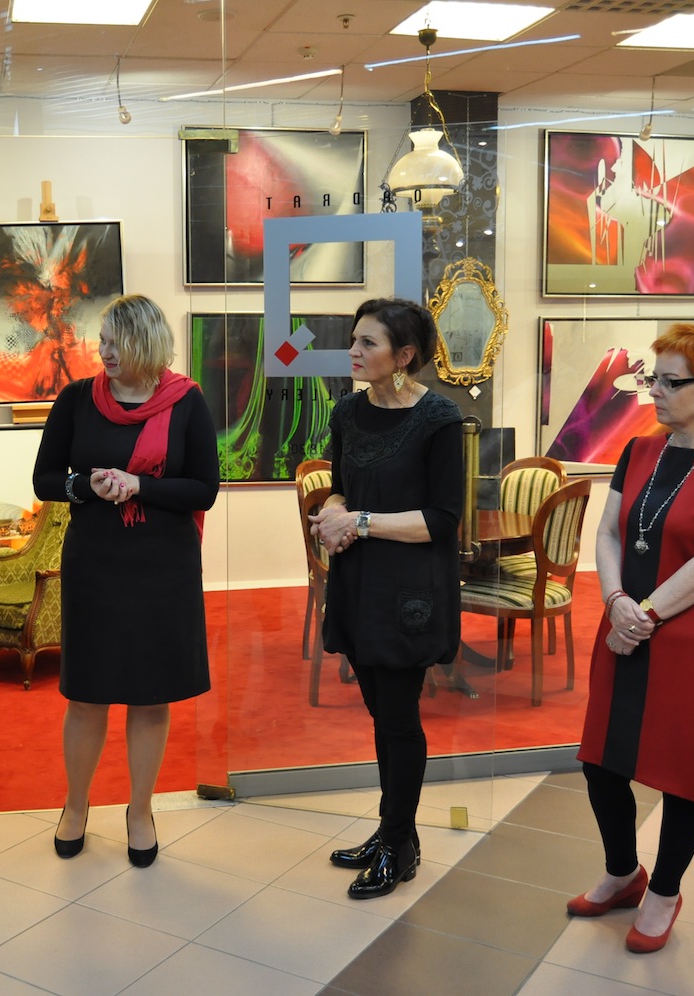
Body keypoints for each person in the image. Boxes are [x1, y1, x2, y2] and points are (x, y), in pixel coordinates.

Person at [570, 323, 694, 953]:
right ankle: (624, 873)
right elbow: (608, 534)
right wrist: (616, 602)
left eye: (670, 382)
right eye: (653, 378)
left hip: (691, 642)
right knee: (602, 762)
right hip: (625, 624)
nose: (653, 390)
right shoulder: (639, 451)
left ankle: (664, 893)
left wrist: (644, 616)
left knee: (684, 774)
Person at [33, 294, 219, 867]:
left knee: (150, 696)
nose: (103, 352)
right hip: (95, 564)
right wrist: (86, 487)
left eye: (115, 342)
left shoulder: (187, 401)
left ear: (144, 342)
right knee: (87, 696)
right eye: (103, 341)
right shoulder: (76, 399)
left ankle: (141, 811)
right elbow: (45, 480)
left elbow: (204, 489)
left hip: (164, 568)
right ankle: (76, 806)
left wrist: (141, 486)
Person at [309, 298, 465, 900]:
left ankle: (398, 844)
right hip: (358, 583)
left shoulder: (438, 418)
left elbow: (442, 520)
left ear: (404, 356)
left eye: (367, 343)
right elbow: (340, 488)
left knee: (398, 719)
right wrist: (333, 513)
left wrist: (359, 522)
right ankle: (393, 833)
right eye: (354, 339)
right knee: (382, 714)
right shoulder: (348, 411)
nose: (353, 351)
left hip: (409, 591)